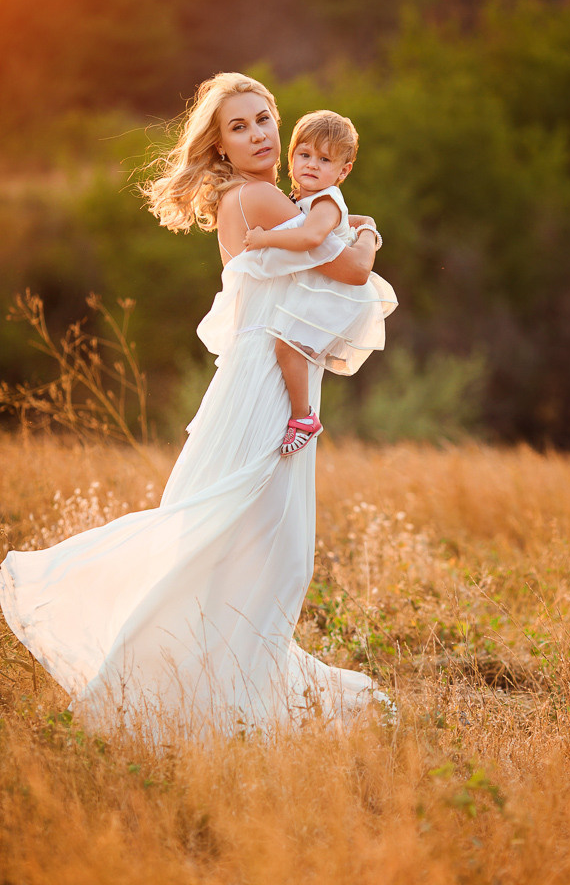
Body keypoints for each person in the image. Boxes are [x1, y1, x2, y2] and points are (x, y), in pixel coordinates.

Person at [0, 72, 395, 738]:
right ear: (220, 146)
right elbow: (353, 273)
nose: (259, 135)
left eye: (263, 119)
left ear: (278, 121)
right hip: (263, 388)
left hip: (253, 376)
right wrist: (370, 236)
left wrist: (337, 226)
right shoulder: (263, 197)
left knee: (228, 539)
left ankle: (211, 694)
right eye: (238, 127)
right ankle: (204, 700)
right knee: (269, 548)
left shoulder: (252, 199)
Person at [243, 109, 397, 456]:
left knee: (287, 347)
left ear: (343, 171)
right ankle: (300, 414)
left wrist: (265, 239)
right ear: (291, 156)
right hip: (322, 290)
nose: (312, 164)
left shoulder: (325, 201)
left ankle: (303, 418)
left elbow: (312, 237)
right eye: (304, 154)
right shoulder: (304, 198)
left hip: (336, 295)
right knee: (289, 347)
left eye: (324, 159)